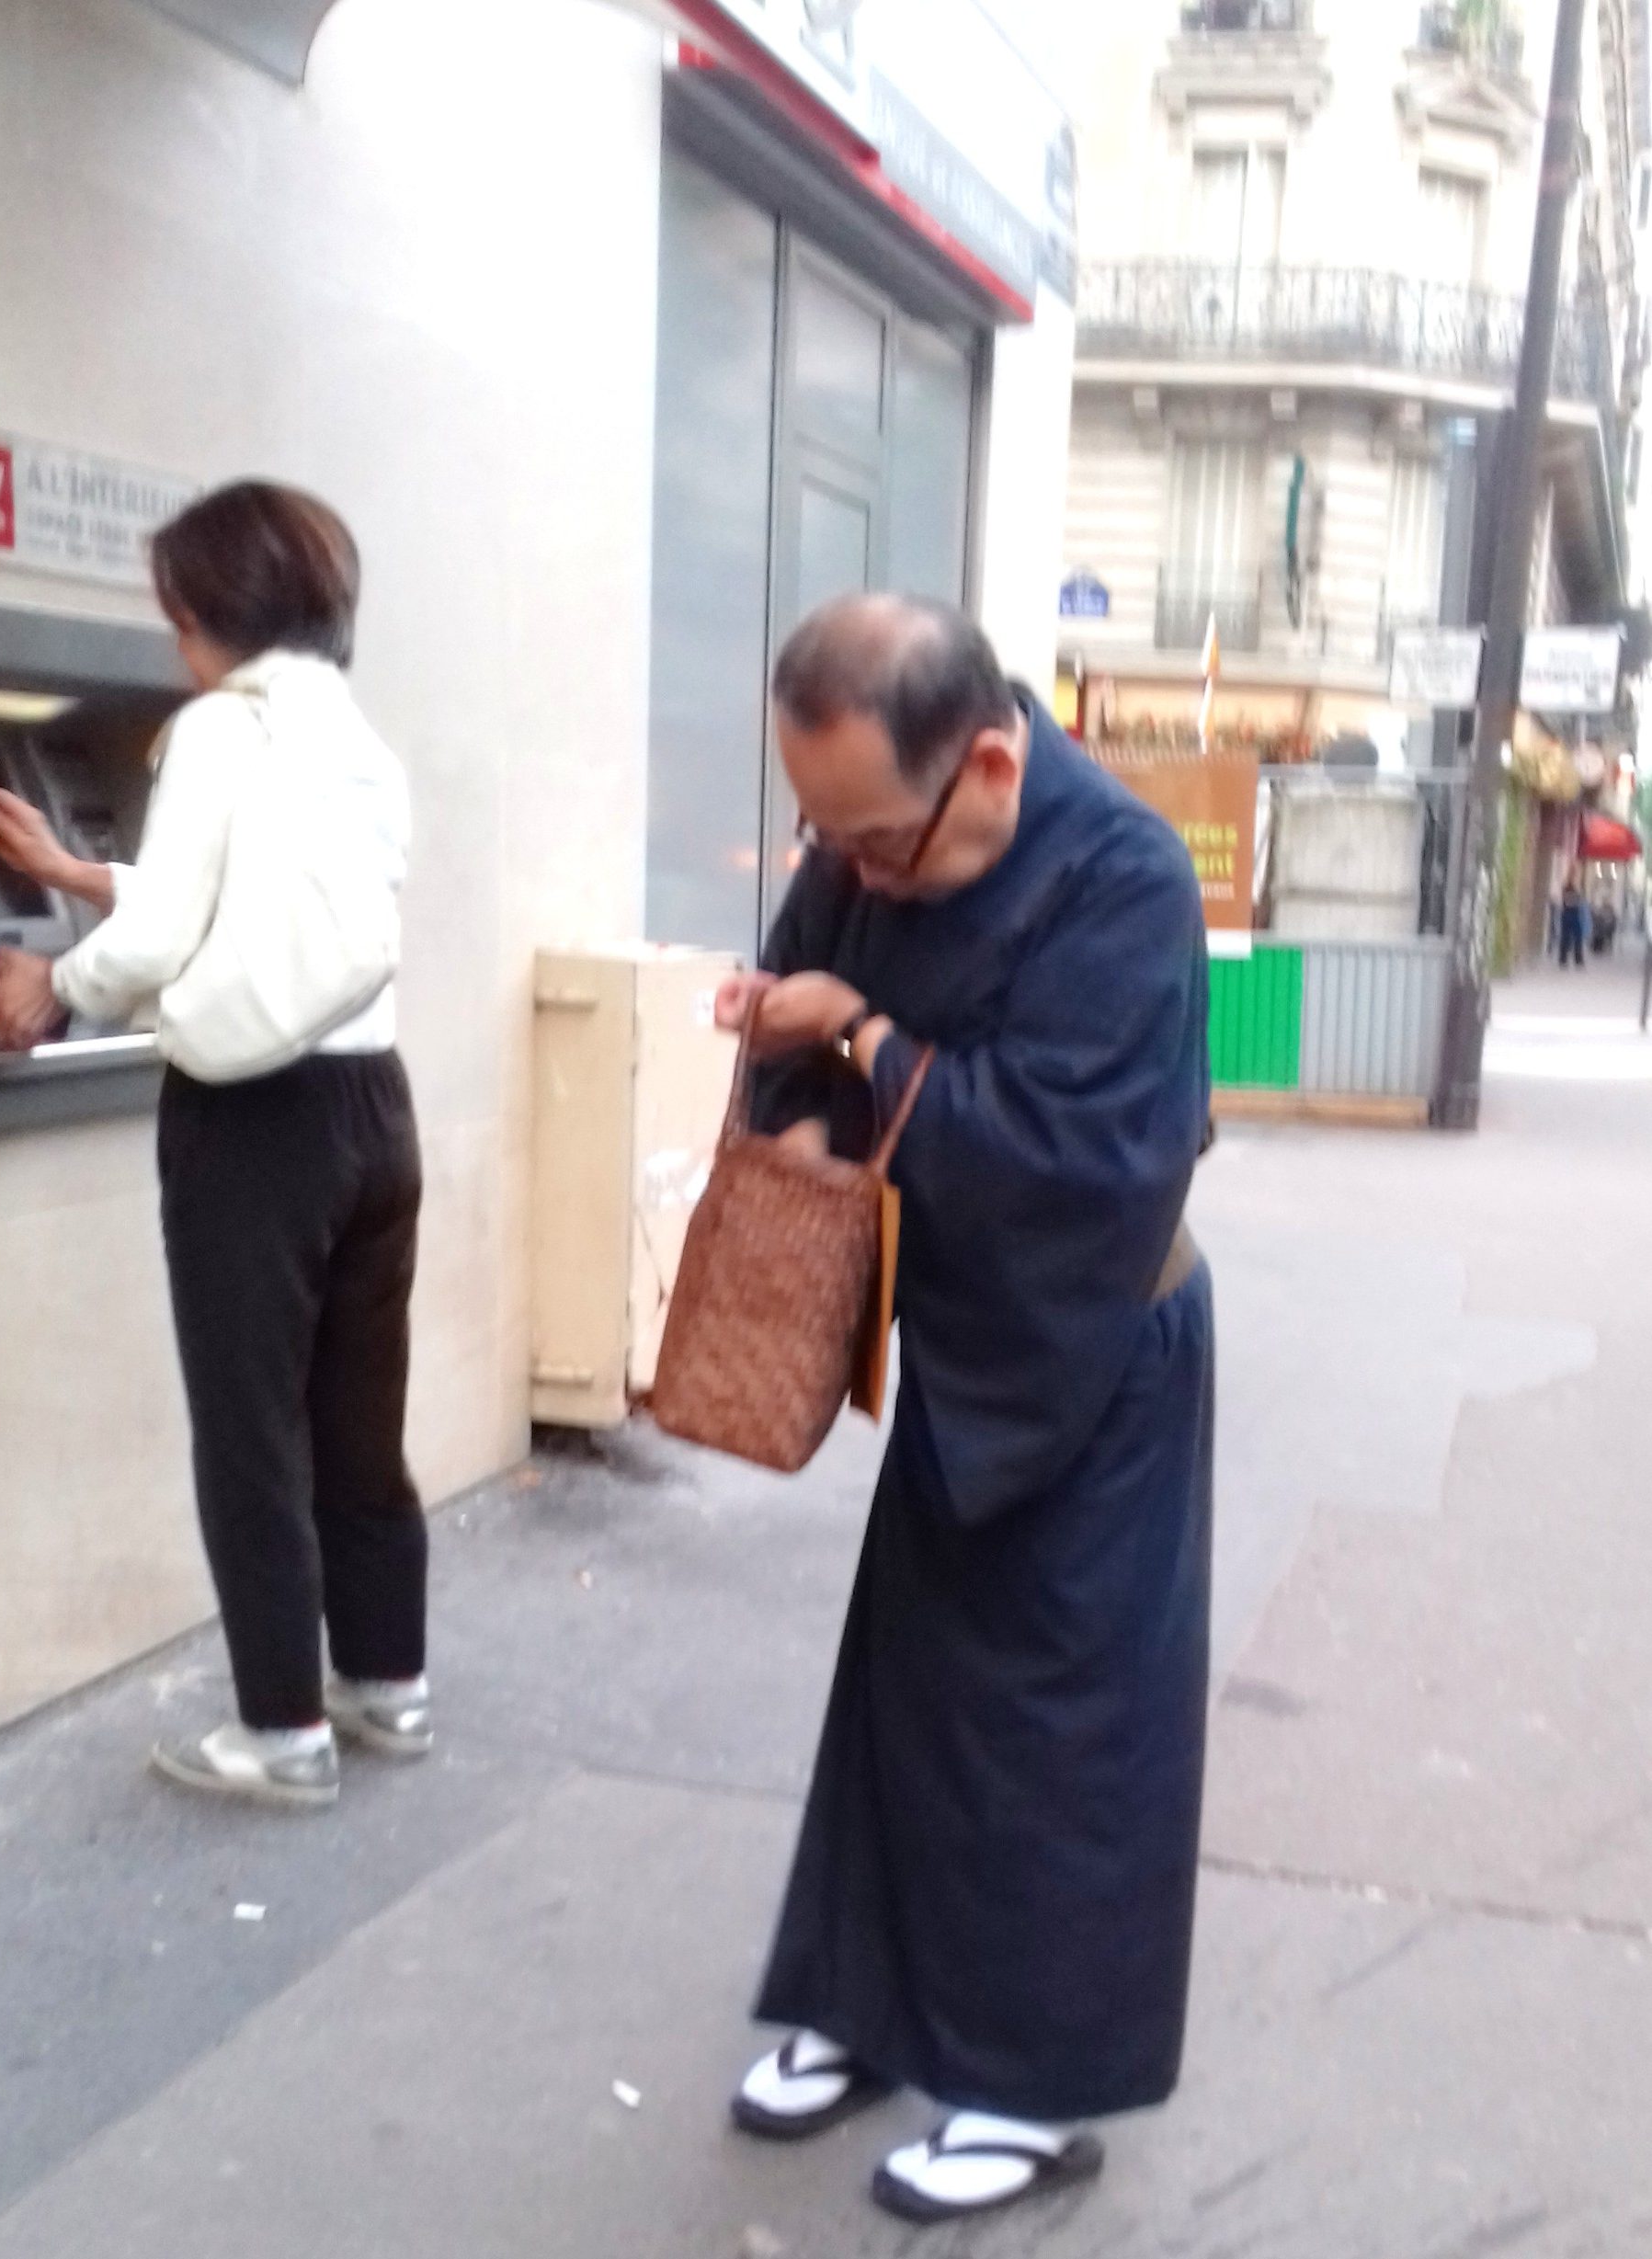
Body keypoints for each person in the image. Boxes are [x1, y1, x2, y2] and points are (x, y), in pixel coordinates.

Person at [719, 596, 1213, 2228]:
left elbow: (1070, 1160)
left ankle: (1034, 2084)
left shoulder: (1123, 877)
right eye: (826, 837)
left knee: (1068, 1728)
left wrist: (863, 1035)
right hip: (955, 1335)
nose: (853, 875)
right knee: (910, 1690)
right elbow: (796, 1004)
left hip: (1098, 1342)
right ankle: (866, 2007)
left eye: (878, 841)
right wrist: (792, 1105)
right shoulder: (862, 846)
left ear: (990, 764)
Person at [0, 481, 428, 1810]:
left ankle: (280, 1732)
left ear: (217, 609)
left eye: (177, 612)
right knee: (358, 1425)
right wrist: (81, 877)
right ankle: (386, 1683)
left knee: (249, 1431)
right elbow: (254, 902)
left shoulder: (219, 729)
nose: (174, 639)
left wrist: (54, 983)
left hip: (254, 1123)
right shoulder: (354, 738)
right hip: (373, 1107)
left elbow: (172, 931)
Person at [1558, 875, 1588, 968]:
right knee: (1574, 938)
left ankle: (1564, 959)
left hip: (1568, 915)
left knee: (1567, 938)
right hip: (1572, 915)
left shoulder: (1566, 891)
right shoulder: (1570, 891)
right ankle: (1576, 960)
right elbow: (1574, 902)